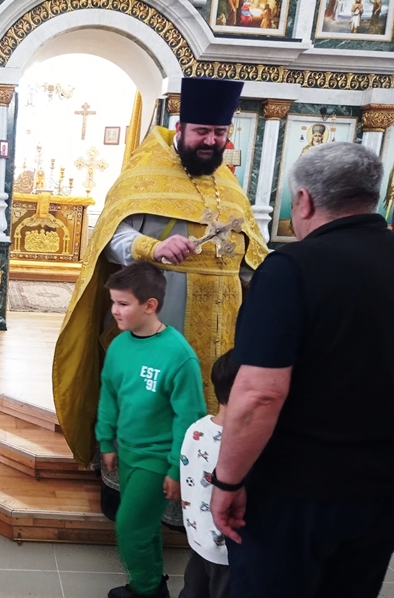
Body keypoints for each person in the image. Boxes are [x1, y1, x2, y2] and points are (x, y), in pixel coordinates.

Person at [53, 77, 267, 524]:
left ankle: (197, 500)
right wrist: (154, 249)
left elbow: (249, 250)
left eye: (219, 134)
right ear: (181, 127)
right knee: (150, 406)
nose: (211, 141)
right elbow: (110, 238)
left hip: (223, 326)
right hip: (161, 316)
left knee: (207, 407)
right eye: (202, 132)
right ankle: (127, 494)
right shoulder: (145, 174)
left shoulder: (228, 184)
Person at [211, 142, 394, 598]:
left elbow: (258, 395)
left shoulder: (292, 269)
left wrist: (227, 481)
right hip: (382, 490)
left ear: (304, 201)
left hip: (293, 495)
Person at [96, 261, 206, 598]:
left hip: (157, 458)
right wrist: (106, 440)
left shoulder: (178, 355)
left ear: (150, 305)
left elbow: (189, 417)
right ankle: (154, 582)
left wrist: (176, 468)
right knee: (144, 527)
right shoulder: (119, 345)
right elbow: (110, 394)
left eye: (123, 303)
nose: (115, 310)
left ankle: (144, 590)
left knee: (129, 528)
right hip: (127, 450)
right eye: (113, 302)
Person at [179, 350, 240, 598]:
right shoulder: (239, 446)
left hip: (198, 536)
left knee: (193, 589)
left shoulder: (197, 428)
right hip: (226, 550)